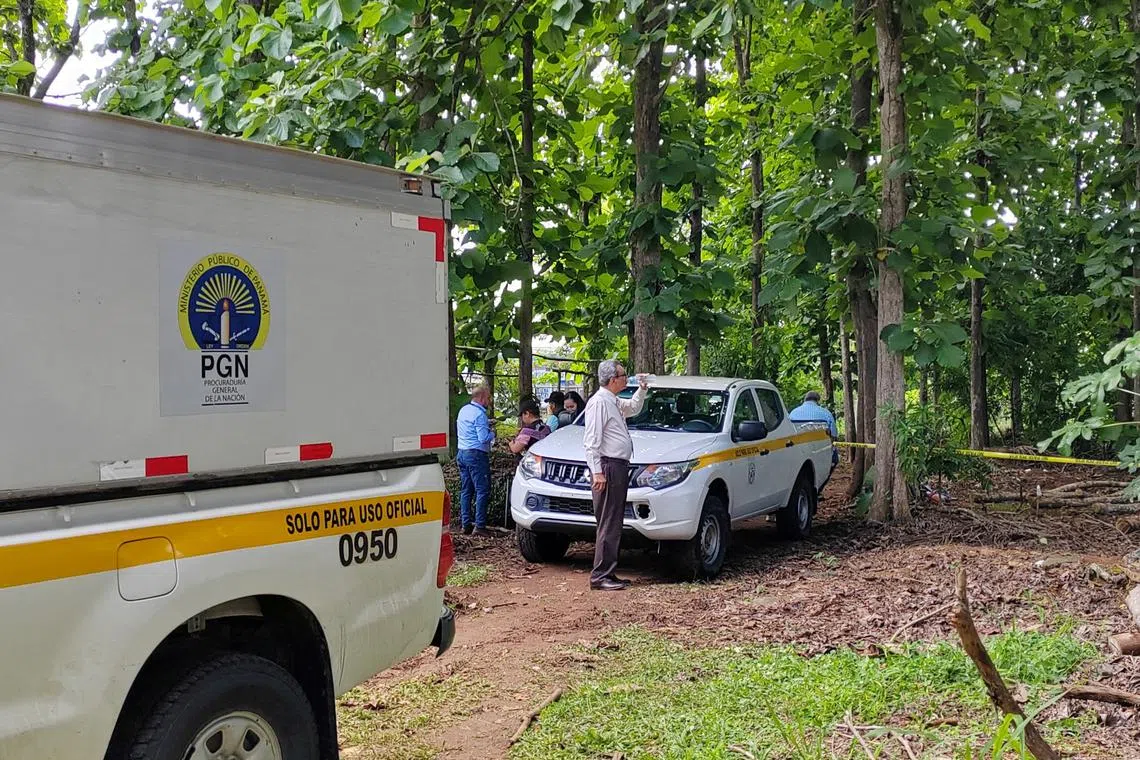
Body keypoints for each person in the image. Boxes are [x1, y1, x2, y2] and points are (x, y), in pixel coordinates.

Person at [583, 360, 648, 591]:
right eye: (623, 375)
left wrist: (642, 389)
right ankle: (600, 575)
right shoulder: (600, 402)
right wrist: (597, 472)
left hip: (616, 465)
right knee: (609, 521)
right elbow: (591, 441)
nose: (625, 378)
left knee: (613, 520)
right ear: (613, 380)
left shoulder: (612, 401)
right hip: (608, 465)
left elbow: (632, 408)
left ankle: (607, 571)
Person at [456, 385, 496, 536]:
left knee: (466, 490)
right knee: (482, 489)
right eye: (488, 397)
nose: (489, 401)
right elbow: (483, 438)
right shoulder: (480, 415)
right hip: (476, 455)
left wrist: (486, 424)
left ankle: (465, 524)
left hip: (462, 453)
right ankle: (479, 525)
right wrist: (493, 433)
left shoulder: (464, 410)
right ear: (482, 397)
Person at [788, 391, 839, 467]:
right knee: (835, 459)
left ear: (805, 400)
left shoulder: (793, 412)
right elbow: (834, 434)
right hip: (821, 449)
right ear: (817, 400)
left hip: (799, 449)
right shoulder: (826, 413)